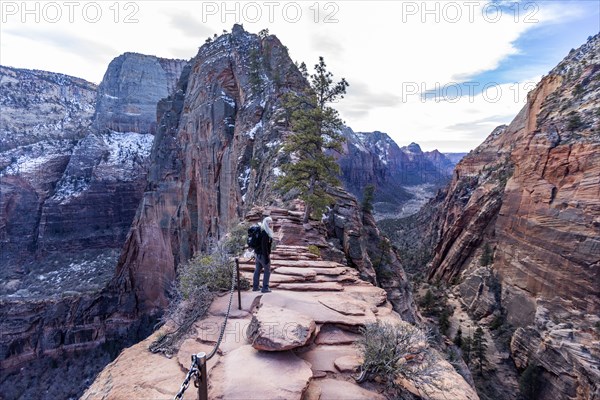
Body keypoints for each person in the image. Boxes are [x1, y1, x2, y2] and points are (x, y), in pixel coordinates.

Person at [253, 216, 273, 293]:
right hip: (262, 255)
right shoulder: (265, 233)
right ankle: (265, 288)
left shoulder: (262, 231)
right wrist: (267, 257)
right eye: (269, 223)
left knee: (257, 270)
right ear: (266, 223)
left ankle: (255, 287)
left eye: (271, 223)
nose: (270, 224)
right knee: (267, 270)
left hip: (257, 254)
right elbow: (264, 246)